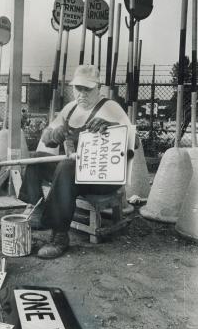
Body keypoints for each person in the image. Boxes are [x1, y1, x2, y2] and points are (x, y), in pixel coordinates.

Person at [18, 64, 133, 259]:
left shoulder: (110, 107)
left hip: (104, 177)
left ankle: (59, 235)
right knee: (37, 159)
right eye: (78, 88)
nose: (82, 94)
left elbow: (134, 142)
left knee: (68, 166)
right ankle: (36, 209)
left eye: (87, 89)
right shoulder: (70, 109)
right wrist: (54, 134)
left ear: (99, 88)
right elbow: (46, 138)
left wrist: (111, 126)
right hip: (74, 173)